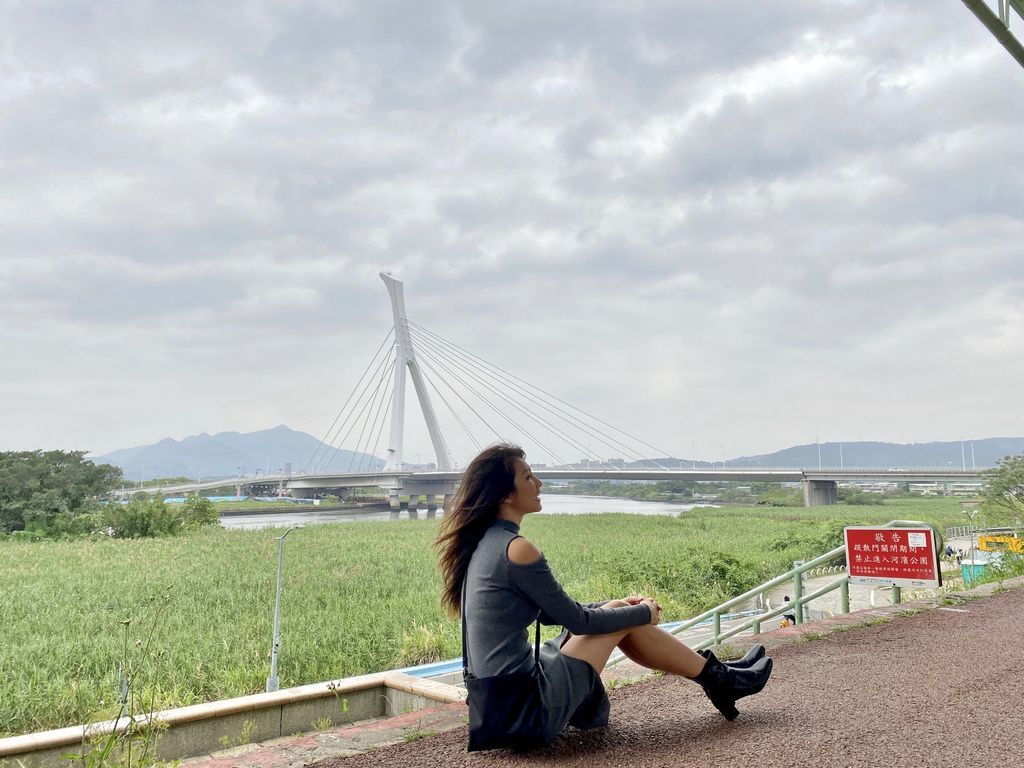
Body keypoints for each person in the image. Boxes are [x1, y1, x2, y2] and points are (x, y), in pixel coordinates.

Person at [437, 444, 773, 748]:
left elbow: (552, 613)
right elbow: (577, 622)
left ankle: (720, 676)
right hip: (526, 710)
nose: (539, 484)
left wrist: (618, 608)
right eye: (528, 477)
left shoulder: (485, 544)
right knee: (619, 621)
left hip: (500, 703)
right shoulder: (517, 550)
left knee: (615, 612)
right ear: (505, 494)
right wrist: (644, 614)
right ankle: (721, 679)